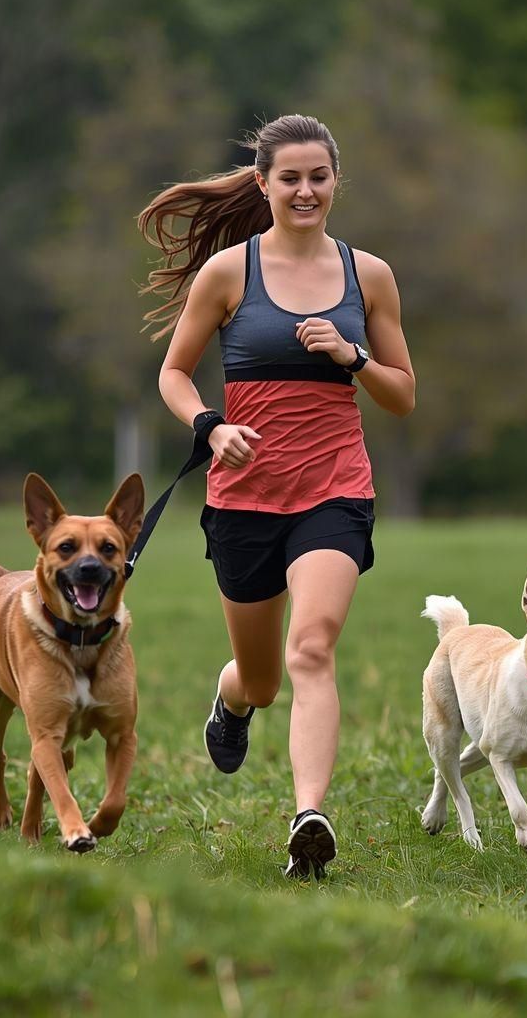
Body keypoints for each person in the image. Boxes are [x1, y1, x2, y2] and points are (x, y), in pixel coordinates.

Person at [139, 114, 415, 878]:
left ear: (336, 182)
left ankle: (309, 820)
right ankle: (231, 701)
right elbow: (172, 372)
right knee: (261, 678)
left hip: (335, 490)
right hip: (245, 497)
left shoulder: (370, 275)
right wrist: (211, 425)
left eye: (318, 177)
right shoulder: (228, 273)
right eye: (289, 177)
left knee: (312, 648)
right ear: (263, 184)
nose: (305, 190)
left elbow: (402, 395)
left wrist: (352, 355)